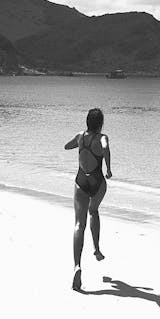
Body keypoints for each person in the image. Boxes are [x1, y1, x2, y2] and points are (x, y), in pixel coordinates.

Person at [64, 108, 112, 291]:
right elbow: (106, 148)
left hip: (81, 181)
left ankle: (77, 266)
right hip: (97, 181)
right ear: (101, 124)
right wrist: (108, 169)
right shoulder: (103, 137)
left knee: (78, 224)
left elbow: (66, 146)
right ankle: (97, 248)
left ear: (87, 122)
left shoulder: (80, 136)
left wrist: (79, 144)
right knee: (94, 211)